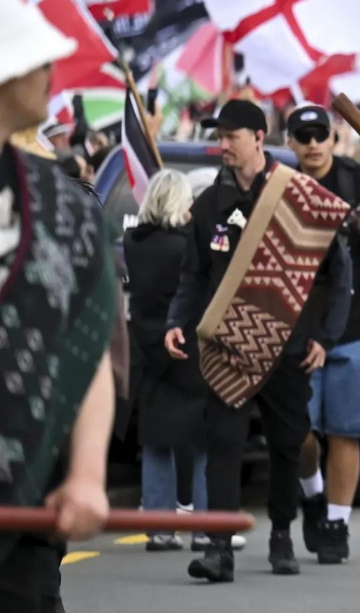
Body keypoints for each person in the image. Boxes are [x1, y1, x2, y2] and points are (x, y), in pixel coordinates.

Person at [165, 99, 353, 582]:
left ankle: (282, 538)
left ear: (257, 136)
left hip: (288, 349)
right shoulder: (209, 205)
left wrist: (326, 338)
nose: (222, 145)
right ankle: (220, 551)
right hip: (226, 346)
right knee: (223, 444)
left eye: (230, 136)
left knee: (287, 447)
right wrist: (176, 321)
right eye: (219, 136)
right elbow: (193, 275)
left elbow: (339, 272)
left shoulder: (301, 198)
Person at [0, 0, 117, 613]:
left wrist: (87, 475)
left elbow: (87, 346)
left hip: (26, 501)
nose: (52, 73)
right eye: (36, 59)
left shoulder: (63, 206)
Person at [284, 105, 360, 564]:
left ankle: (336, 523)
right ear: (290, 141)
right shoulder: (282, 187)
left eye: (320, 135)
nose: (313, 143)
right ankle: (313, 495)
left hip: (359, 325)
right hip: (298, 329)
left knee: (346, 432)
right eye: (303, 135)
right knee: (299, 431)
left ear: (334, 139)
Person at [124, 171, 225, 552]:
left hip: (150, 351)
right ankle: (203, 527)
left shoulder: (134, 244)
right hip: (188, 348)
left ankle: (159, 527)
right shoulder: (185, 248)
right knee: (202, 442)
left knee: (155, 443)